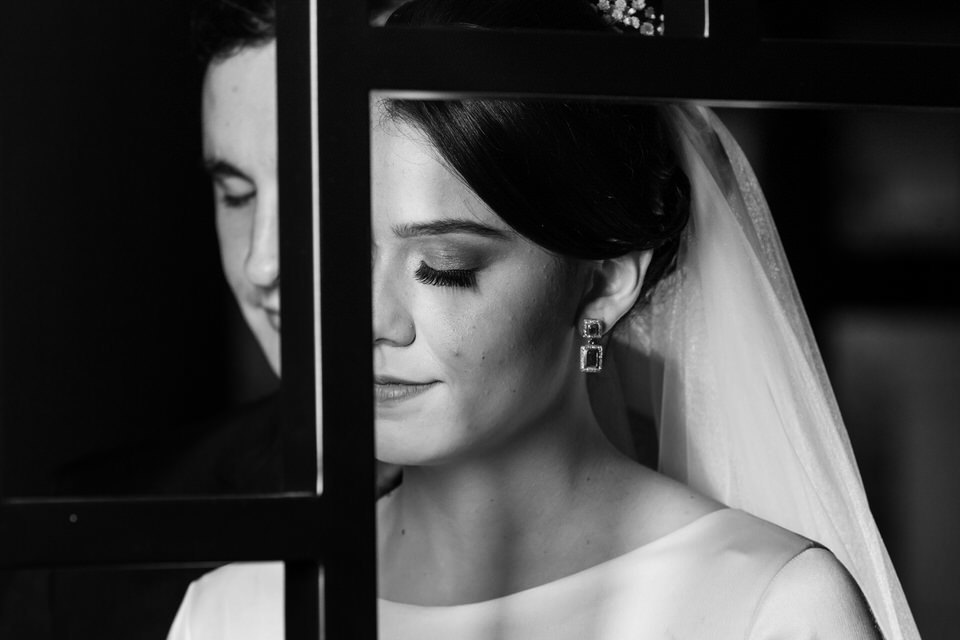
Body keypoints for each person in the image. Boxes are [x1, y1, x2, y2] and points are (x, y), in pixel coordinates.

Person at [168, 0, 921, 639]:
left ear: (603, 282)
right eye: (338, 249)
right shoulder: (236, 610)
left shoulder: (770, 606)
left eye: (443, 266)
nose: (365, 321)